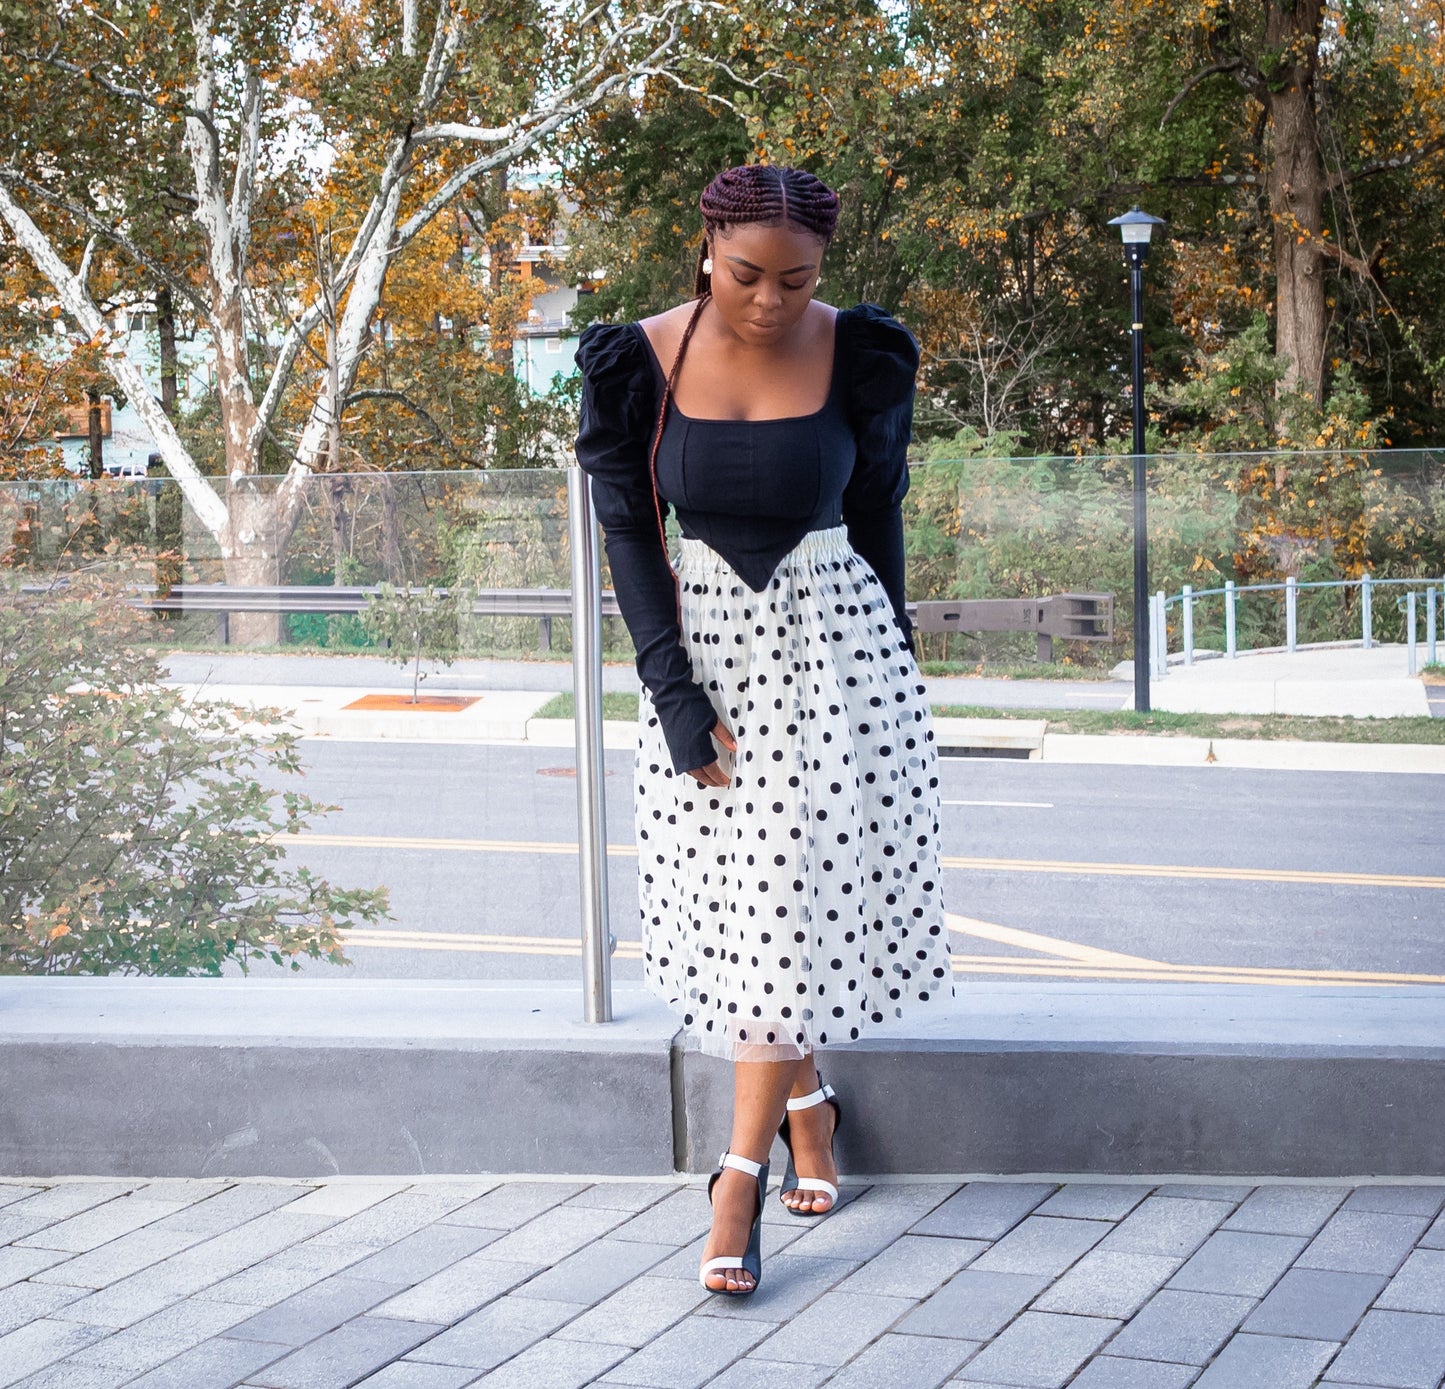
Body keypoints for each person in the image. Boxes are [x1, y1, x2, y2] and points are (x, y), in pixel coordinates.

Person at [575, 164, 952, 1296]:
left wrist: (893, 665)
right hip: (709, 659)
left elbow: (876, 504)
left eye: (797, 280)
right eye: (747, 275)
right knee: (747, 905)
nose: (771, 301)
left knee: (788, 895)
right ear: (706, 248)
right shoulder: (635, 359)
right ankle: (807, 1102)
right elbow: (629, 531)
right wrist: (671, 691)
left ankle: (734, 1176)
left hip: (834, 654)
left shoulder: (864, 351)